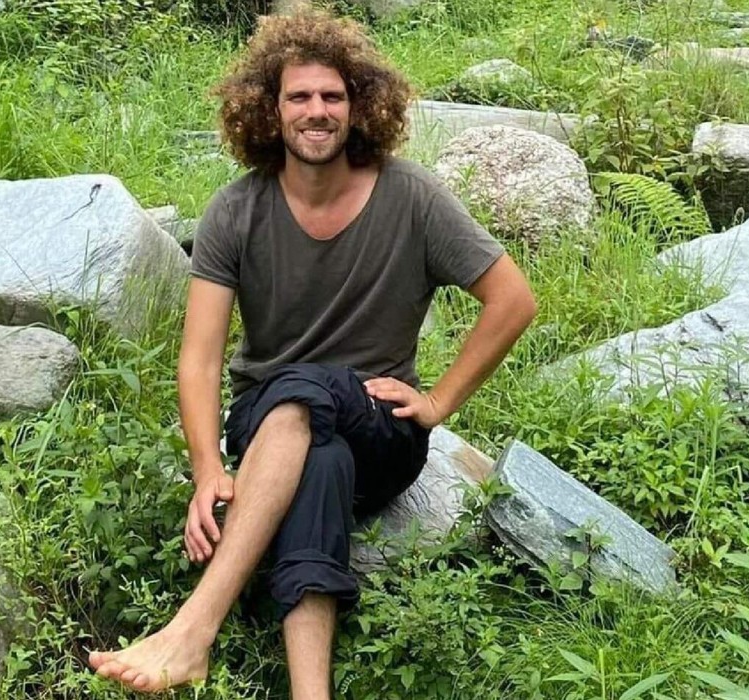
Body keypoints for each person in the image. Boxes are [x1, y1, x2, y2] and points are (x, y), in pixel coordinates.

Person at [88, 7, 537, 697]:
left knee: (307, 392)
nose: (316, 111)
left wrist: (438, 401)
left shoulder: (412, 197)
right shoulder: (235, 210)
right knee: (315, 455)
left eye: (332, 96)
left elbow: (512, 300)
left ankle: (192, 629)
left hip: (382, 428)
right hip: (269, 422)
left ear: (359, 107)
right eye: (299, 96)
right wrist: (208, 469)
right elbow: (200, 360)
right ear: (270, 111)